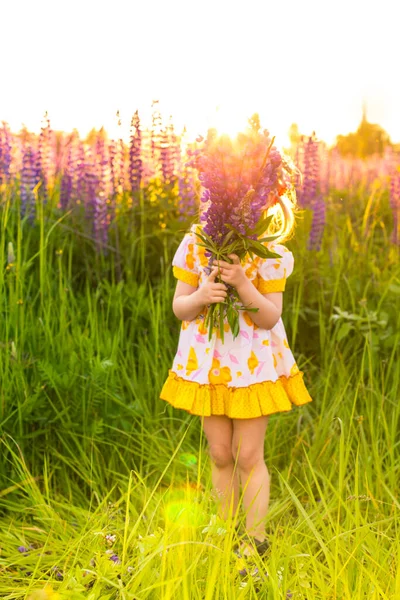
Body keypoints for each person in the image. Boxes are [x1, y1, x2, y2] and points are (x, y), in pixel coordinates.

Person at [159, 184, 313, 559]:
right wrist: (200, 297)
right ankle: (226, 533)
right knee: (220, 453)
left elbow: (270, 317)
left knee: (248, 456)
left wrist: (243, 283)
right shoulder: (197, 243)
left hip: (251, 370)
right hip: (208, 368)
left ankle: (255, 540)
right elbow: (180, 307)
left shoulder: (269, 252)